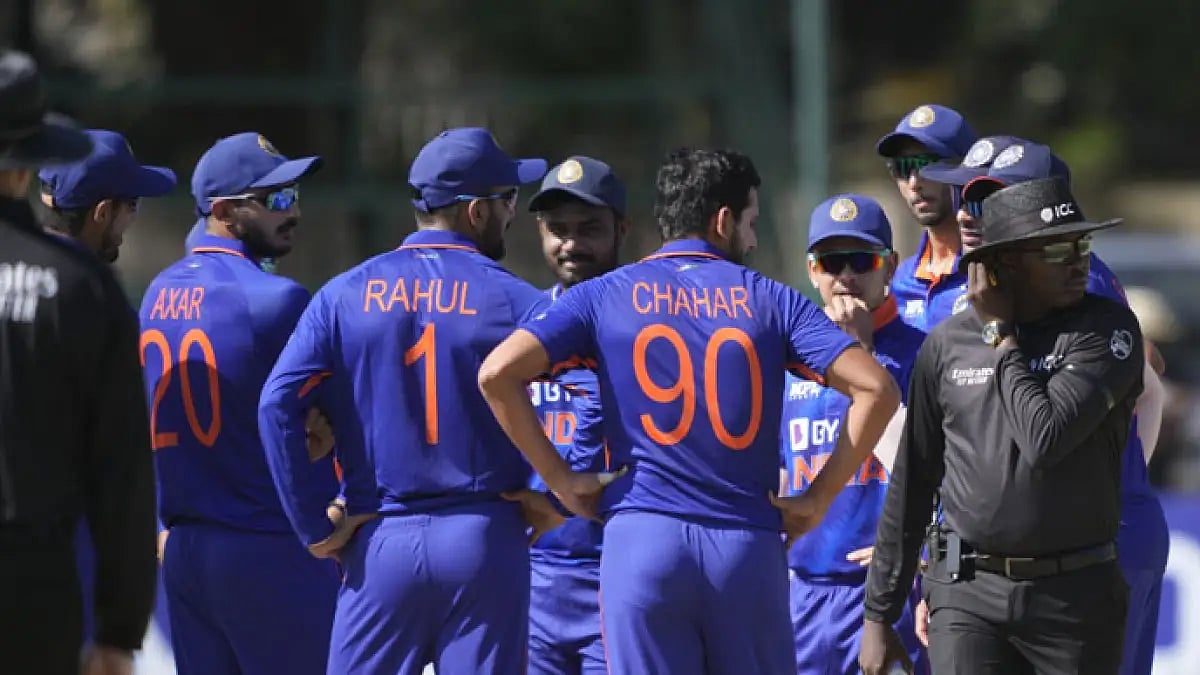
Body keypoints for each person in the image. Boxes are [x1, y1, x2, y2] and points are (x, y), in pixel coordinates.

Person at [478, 147, 902, 675]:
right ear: (722, 220)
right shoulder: (773, 299)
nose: (751, 238)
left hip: (642, 542)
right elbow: (877, 389)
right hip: (744, 544)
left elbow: (497, 374)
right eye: (749, 222)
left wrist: (562, 482)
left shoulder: (604, 294)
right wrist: (816, 500)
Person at [258, 127, 552, 675]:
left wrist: (313, 528)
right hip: (484, 537)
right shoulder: (517, 298)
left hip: (378, 540)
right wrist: (552, 491)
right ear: (476, 212)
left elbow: (276, 403)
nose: (513, 212)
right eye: (508, 199)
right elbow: (584, 390)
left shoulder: (343, 294)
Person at [861, 176, 1143, 675]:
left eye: (1083, 242)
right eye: (1058, 249)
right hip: (966, 593)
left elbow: (1045, 438)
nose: (1079, 260)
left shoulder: (1106, 329)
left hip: (1074, 597)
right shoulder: (946, 345)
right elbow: (916, 480)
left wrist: (1000, 338)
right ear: (1006, 262)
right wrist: (879, 616)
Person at [951, 142, 1169, 675]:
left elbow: (1144, 385)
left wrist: (1106, 483)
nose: (972, 216)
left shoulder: (1072, 282)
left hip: (1097, 545)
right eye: (974, 201)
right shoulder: (1014, 282)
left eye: (994, 202)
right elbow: (1151, 382)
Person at [139, 131, 339, 675]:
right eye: (275, 199)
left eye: (294, 194)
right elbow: (332, 428)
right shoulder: (277, 299)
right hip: (268, 546)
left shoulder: (157, 291)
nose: (292, 210)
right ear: (225, 210)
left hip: (184, 551)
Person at [0, 49, 156, 675]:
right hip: (31, 587)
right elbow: (121, 471)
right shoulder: (81, 286)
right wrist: (120, 628)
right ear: (28, 163)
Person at [781, 194, 928, 675]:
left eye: (861, 260)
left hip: (889, 594)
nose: (845, 275)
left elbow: (942, 471)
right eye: (831, 261)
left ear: (891, 267)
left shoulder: (924, 356)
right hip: (803, 593)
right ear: (811, 269)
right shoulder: (787, 360)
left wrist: (861, 355)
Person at [524, 155, 629, 675]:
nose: (571, 243)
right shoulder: (524, 322)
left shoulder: (647, 323)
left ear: (621, 229)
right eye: (557, 229)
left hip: (618, 571)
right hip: (535, 576)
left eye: (589, 228)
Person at [876, 104, 978, 331]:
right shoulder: (900, 280)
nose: (914, 183)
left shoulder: (996, 268)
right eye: (903, 168)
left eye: (928, 166)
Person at [38, 129, 175, 262]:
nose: (133, 219)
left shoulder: (19, 260)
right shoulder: (89, 281)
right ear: (102, 212)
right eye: (132, 204)